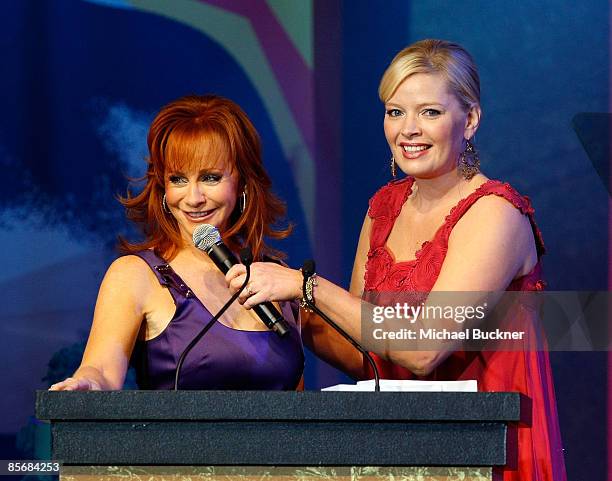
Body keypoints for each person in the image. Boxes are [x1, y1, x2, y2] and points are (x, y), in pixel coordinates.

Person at [226, 40, 566, 480]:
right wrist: (291, 312)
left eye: (429, 112)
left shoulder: (495, 213)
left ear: (471, 120)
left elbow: (423, 350)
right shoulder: (383, 208)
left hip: (488, 454)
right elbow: (364, 353)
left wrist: (307, 287)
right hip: (402, 450)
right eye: (395, 112)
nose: (408, 129)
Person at [49, 94, 304, 391]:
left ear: (243, 183)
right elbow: (102, 369)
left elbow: (360, 356)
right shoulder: (135, 275)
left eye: (210, 178)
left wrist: (309, 287)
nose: (193, 198)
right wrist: (88, 383)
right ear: (162, 189)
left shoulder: (279, 279)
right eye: (178, 179)